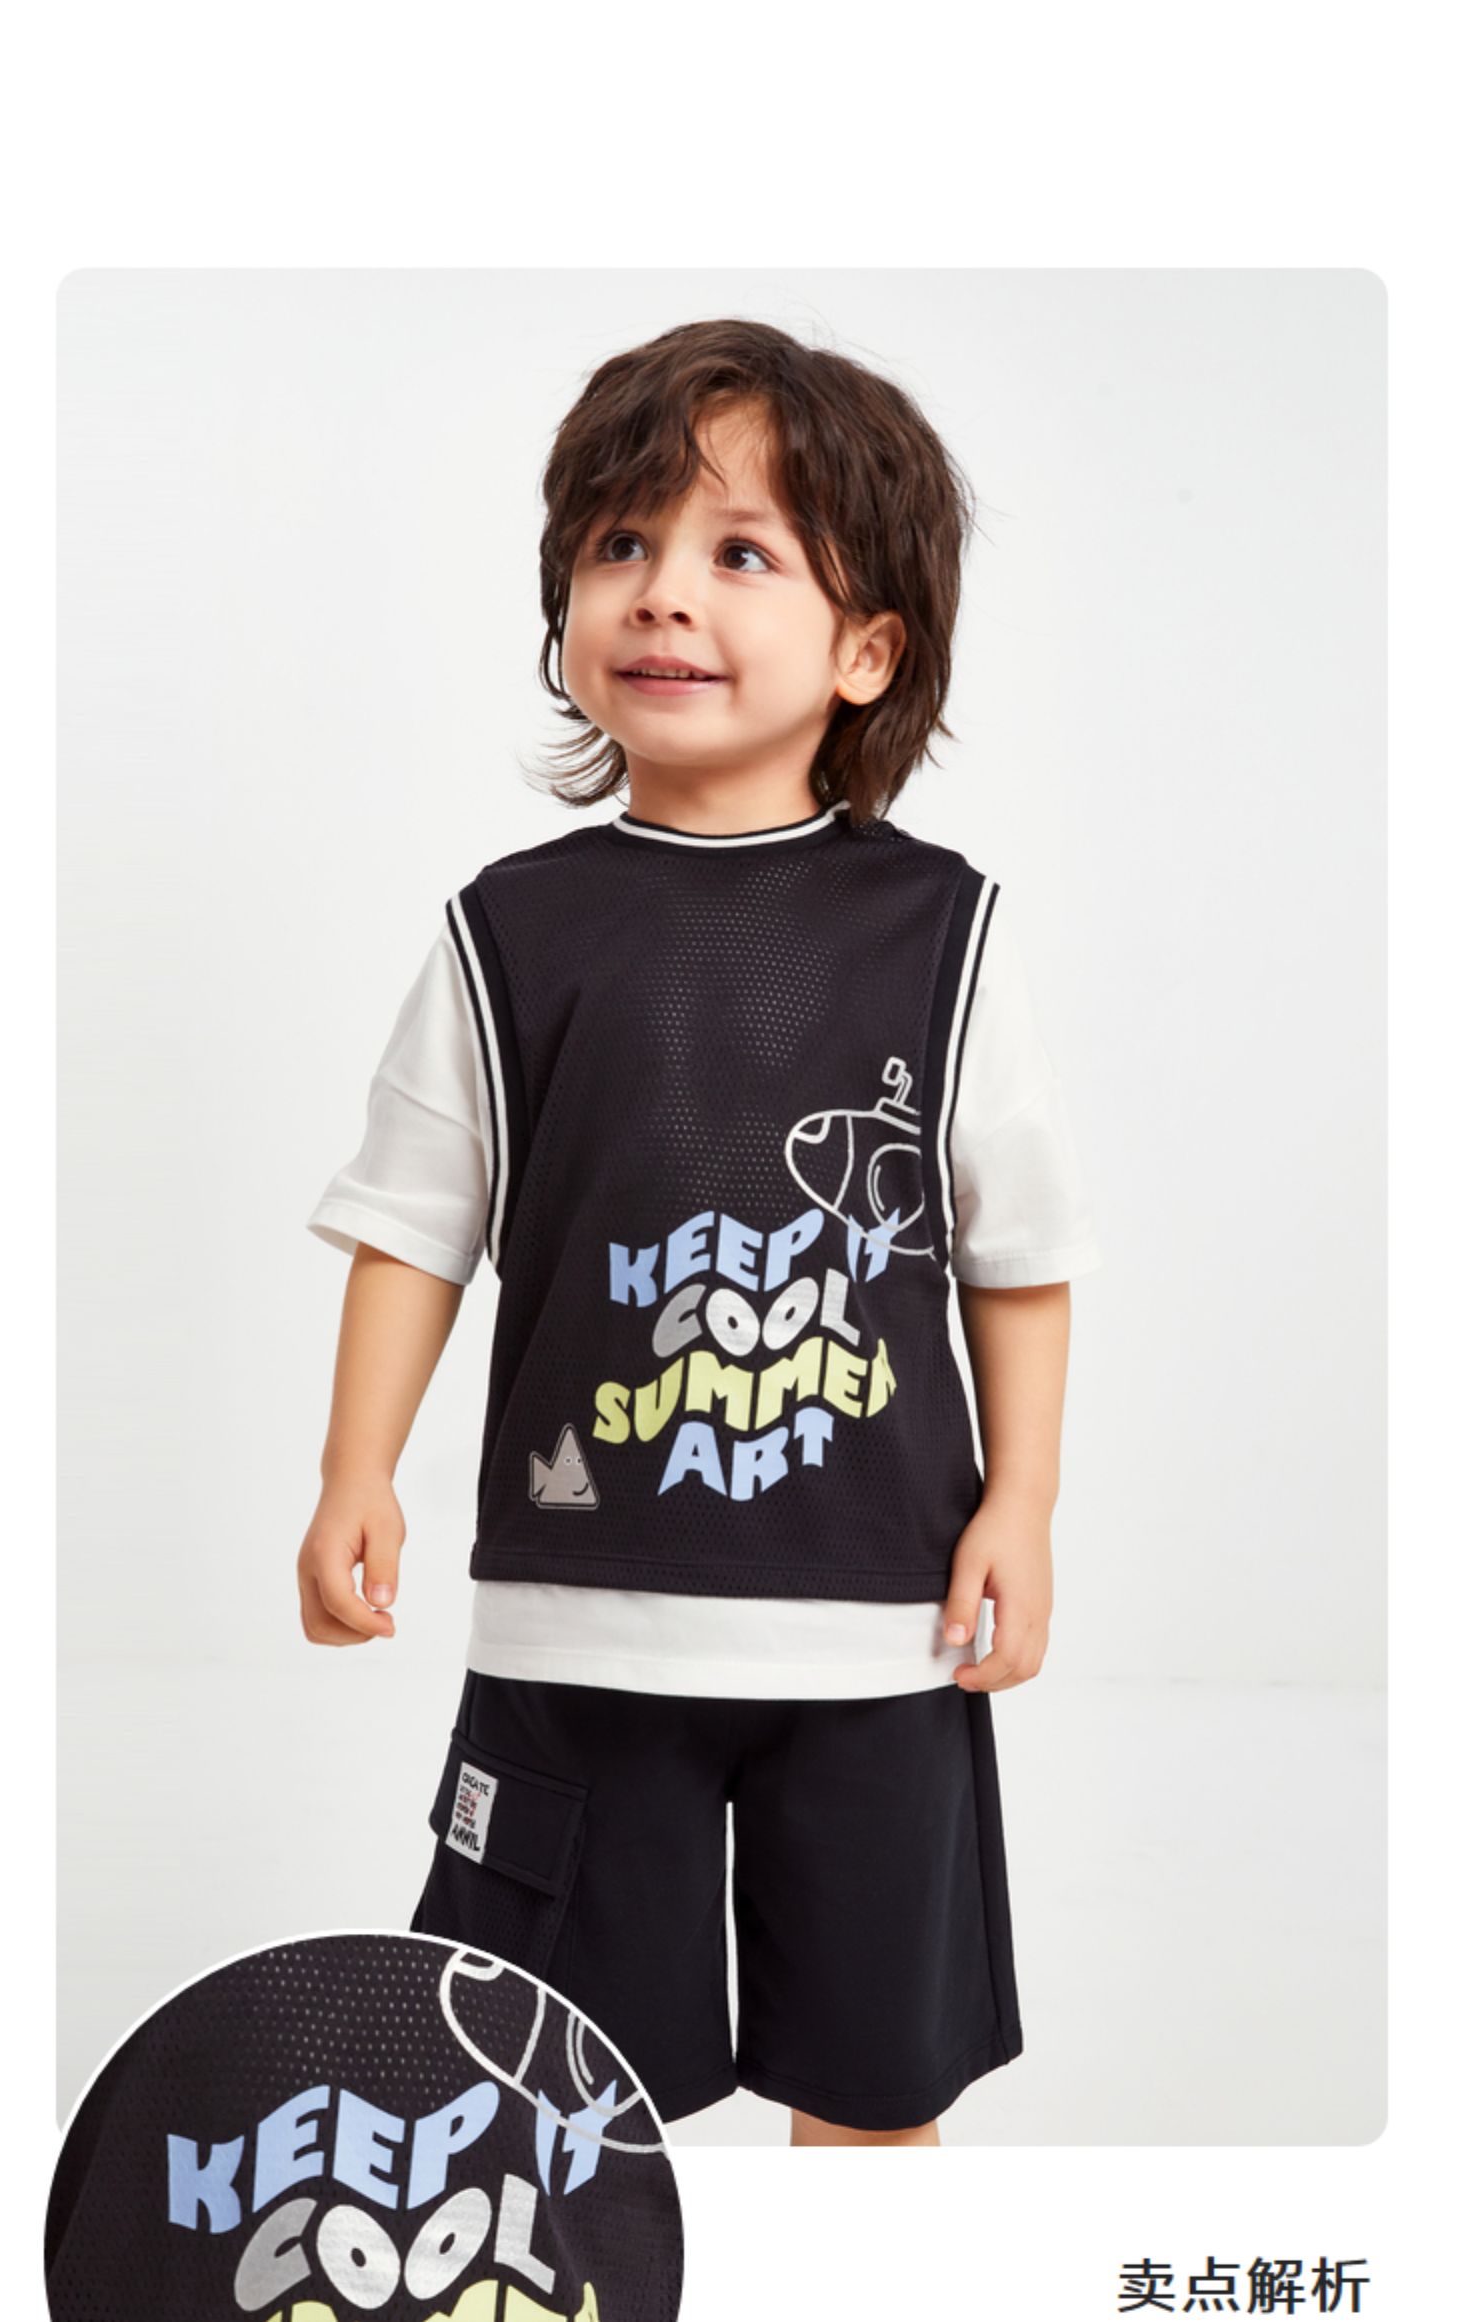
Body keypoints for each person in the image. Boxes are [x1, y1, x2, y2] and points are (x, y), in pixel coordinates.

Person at [299, 317, 1103, 2149]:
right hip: (580, 1632)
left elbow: (1018, 1253)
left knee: (874, 2086)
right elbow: (414, 1224)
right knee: (548, 2098)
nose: (663, 590)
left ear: (866, 649)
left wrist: (1025, 1501)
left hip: (878, 1636)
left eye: (741, 551)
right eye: (621, 543)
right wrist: (357, 1470)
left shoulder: (945, 936)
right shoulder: (505, 932)